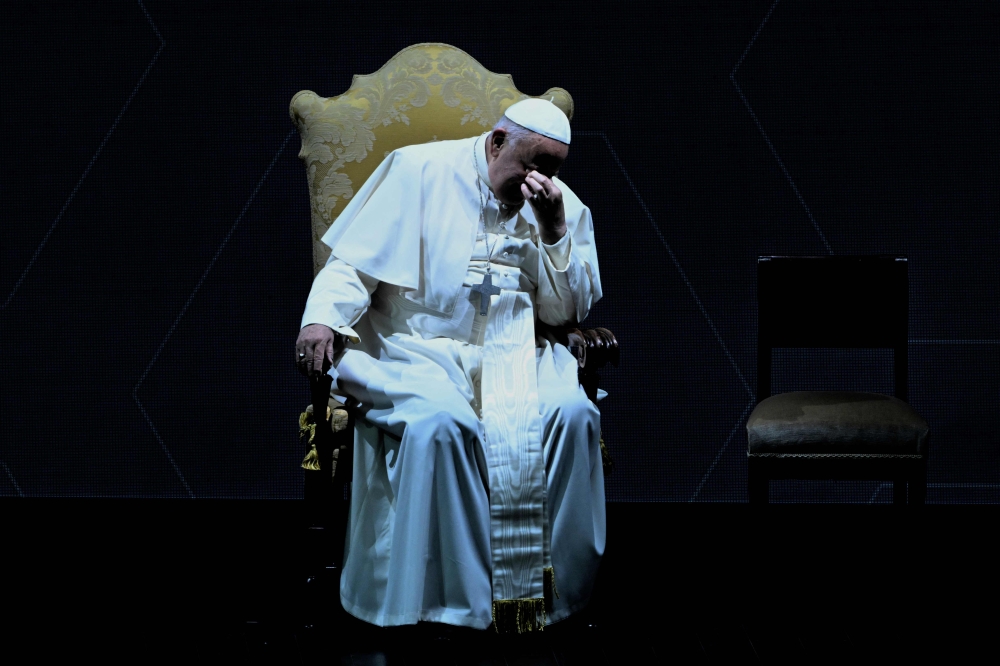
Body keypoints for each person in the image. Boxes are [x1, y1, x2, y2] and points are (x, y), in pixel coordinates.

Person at [295, 99, 604, 632]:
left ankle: (545, 602)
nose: (539, 181)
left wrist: (554, 232)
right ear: (498, 141)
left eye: (552, 170)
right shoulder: (417, 170)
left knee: (570, 415)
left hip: (517, 350)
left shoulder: (557, 205)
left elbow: (563, 315)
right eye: (531, 164)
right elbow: (352, 266)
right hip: (417, 347)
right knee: (443, 423)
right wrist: (321, 318)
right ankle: (447, 604)